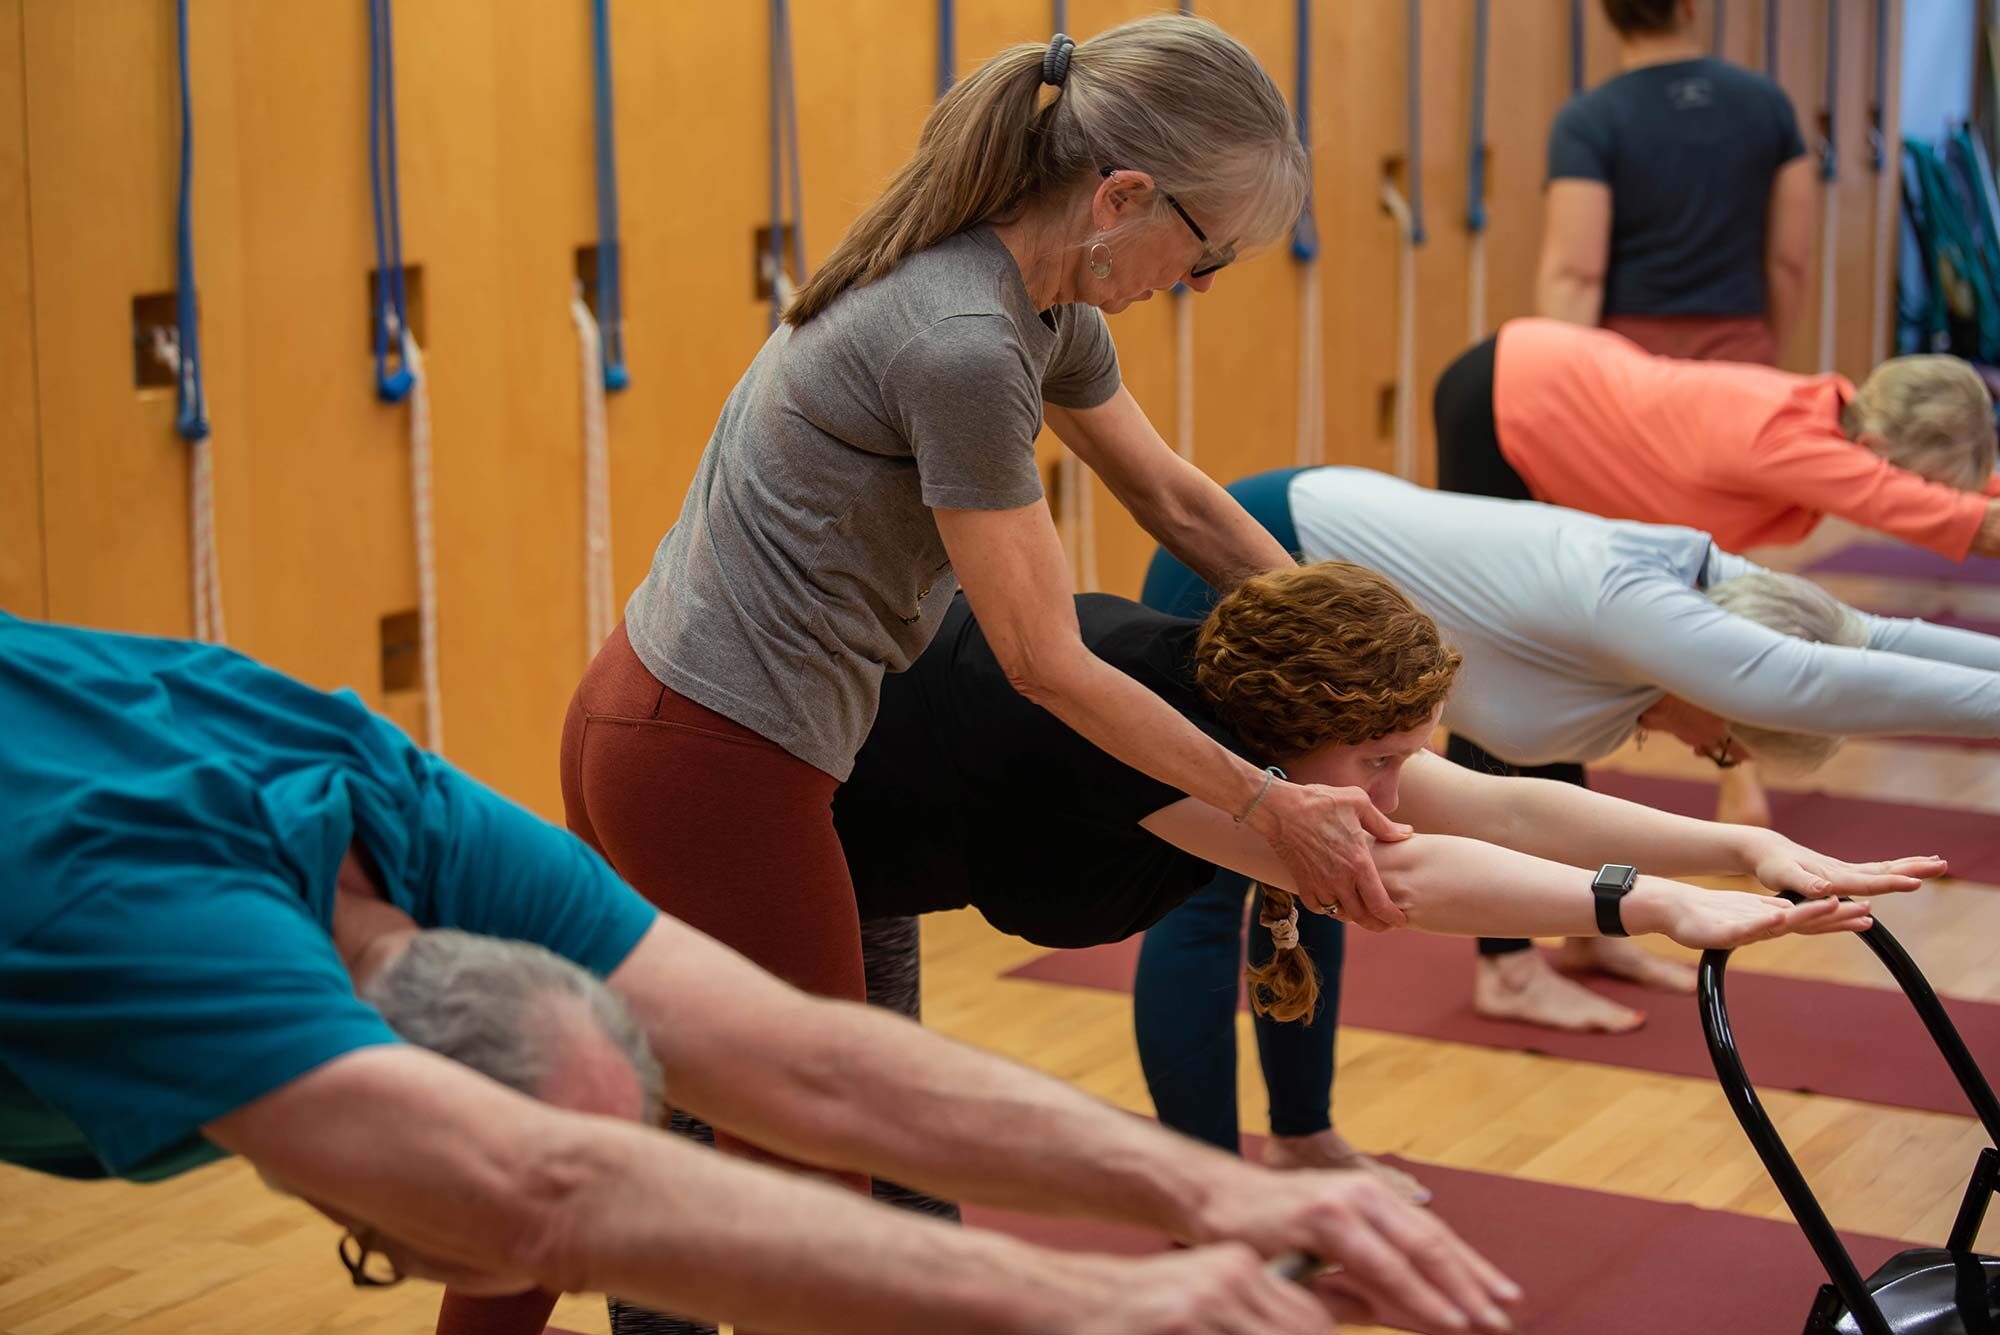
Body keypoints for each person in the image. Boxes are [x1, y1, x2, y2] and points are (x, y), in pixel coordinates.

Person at [0, 612, 1524, 1335]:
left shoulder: (394, 808)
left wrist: (1219, 1193)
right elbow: (541, 1195)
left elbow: (802, 1057)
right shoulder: (136, 926)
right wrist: (1089, 1301)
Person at [562, 19, 1407, 1296]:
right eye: (1207, 248)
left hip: (731, 736)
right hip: (709, 751)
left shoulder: (1038, 304)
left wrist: (1367, 667)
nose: (1205, 279)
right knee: (810, 1173)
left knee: (821, 1115)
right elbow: (1044, 663)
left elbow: (1174, 503)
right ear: (1120, 199)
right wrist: (1270, 804)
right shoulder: (959, 340)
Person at [1133, 466, 2000, 1168]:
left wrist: (1747, 841)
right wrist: (1661, 898)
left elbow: (1875, 639)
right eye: (1733, 745)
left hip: (1321, 585)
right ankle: (1207, 1193)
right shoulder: (1659, 619)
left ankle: (1301, 1137)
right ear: (1734, 684)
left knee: (1323, 868)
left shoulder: (1705, 598)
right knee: (1213, 891)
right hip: (1257, 554)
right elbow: (1826, 682)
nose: (1717, 757)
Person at [1536, 0, 1814, 364]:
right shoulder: (1769, 105)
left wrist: (1567, 379)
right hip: (1738, 353)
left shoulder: (1589, 121)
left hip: (1631, 364)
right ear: (1688, 7)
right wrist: (1767, 352)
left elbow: (1576, 275)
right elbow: (1789, 262)